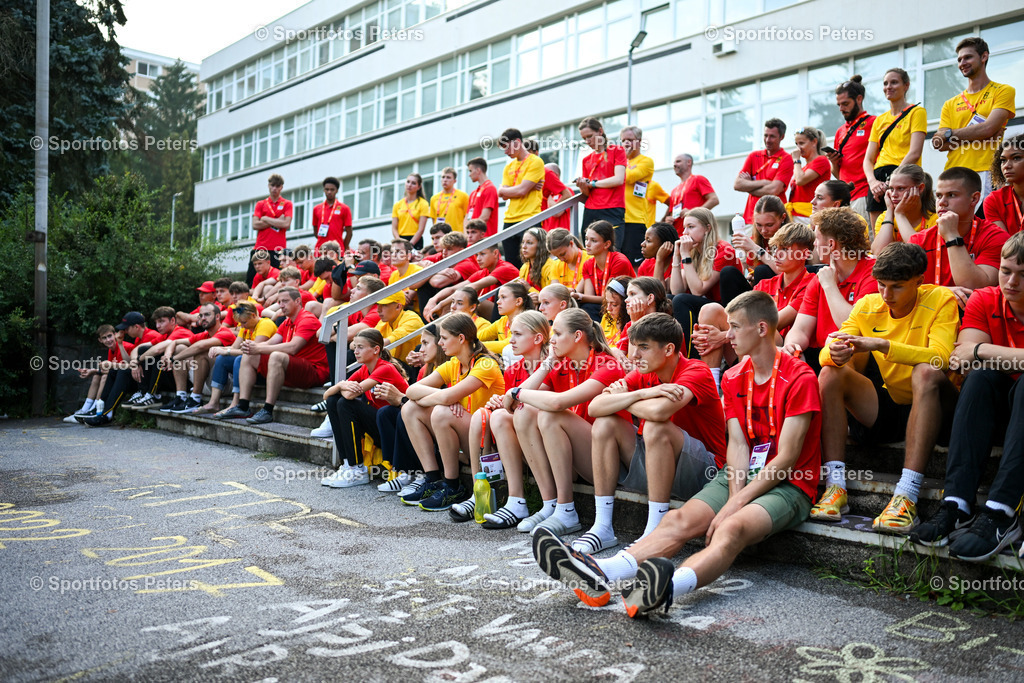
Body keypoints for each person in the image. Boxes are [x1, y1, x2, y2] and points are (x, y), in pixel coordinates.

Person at [531, 291, 821, 615]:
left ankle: (665, 588)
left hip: (790, 482)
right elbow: (738, 444)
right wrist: (734, 491)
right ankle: (602, 573)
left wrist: (735, 504)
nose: (728, 336)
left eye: (735, 328)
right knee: (677, 519)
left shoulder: (800, 376)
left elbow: (787, 458)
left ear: (763, 329)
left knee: (732, 528)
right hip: (736, 473)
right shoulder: (736, 375)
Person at [812, 242, 958, 534]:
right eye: (881, 285)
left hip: (940, 408)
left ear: (919, 281)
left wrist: (882, 345)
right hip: (889, 406)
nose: (886, 295)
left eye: (897, 287)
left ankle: (907, 495)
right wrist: (834, 352)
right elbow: (828, 349)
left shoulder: (941, 298)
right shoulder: (868, 304)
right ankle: (835, 487)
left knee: (926, 373)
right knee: (830, 373)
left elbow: (941, 358)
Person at [911, 232, 1024, 559]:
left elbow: (975, 349)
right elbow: (964, 357)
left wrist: (982, 348)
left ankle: (1001, 511)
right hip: (1000, 416)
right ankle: (956, 503)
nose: (1011, 281)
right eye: (1005, 270)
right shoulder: (986, 299)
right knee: (981, 377)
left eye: (1022, 273)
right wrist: (978, 352)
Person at [586, 313, 727, 553]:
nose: (634, 356)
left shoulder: (697, 370)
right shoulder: (644, 372)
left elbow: (660, 412)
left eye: (643, 347)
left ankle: (655, 529)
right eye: (634, 347)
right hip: (659, 465)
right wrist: (641, 394)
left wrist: (622, 399)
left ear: (669, 349)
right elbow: (594, 407)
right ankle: (602, 527)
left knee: (654, 426)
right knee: (604, 423)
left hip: (706, 472)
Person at [511, 309, 627, 536]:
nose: (551, 339)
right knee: (525, 412)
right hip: (579, 457)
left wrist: (516, 392)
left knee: (549, 413)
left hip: (609, 464)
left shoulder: (607, 364)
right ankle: (550, 504)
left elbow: (556, 403)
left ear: (577, 337)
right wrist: (548, 362)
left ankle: (566, 510)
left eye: (557, 333)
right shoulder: (562, 364)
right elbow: (520, 402)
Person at [451, 311, 554, 528]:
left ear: (537, 338)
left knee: (499, 416)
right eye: (511, 334)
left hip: (548, 442)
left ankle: (517, 499)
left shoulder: (551, 365)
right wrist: (501, 402)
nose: (511, 340)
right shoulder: (514, 369)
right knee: (483, 415)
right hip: (525, 438)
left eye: (517, 334)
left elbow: (528, 403)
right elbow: (512, 403)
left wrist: (507, 402)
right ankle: (480, 492)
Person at [400, 313, 505, 510]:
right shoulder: (453, 364)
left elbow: (446, 398)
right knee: (410, 409)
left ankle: (452, 485)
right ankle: (432, 479)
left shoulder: (486, 364)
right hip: (466, 437)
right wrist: (446, 398)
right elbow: (410, 390)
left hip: (489, 444)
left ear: (461, 338)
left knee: (441, 411)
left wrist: (448, 398)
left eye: (444, 338)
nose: (440, 343)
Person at [784, 208, 877, 374]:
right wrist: (793, 347)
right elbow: (800, 329)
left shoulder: (872, 273)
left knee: (838, 349)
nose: (814, 244)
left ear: (831, 244)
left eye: (816, 238)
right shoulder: (820, 278)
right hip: (824, 355)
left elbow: (855, 327)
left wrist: (830, 286)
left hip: (859, 358)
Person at [320, 329, 410, 489]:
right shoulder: (364, 369)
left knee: (344, 403)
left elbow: (348, 396)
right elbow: (327, 396)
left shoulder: (385, 368)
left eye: (360, 347)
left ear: (376, 350)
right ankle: (348, 464)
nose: (355, 351)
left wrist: (340, 386)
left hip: (396, 430)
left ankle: (357, 469)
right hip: (381, 426)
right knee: (334, 400)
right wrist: (340, 385)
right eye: (355, 347)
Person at [934, 36, 1016, 199]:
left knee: (986, 223)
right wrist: (981, 133)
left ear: (984, 56)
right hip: (953, 173)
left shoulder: (1003, 91)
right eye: (959, 59)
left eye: (968, 57)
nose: (962, 63)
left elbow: (988, 128)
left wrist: (949, 135)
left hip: (987, 170)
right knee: (954, 224)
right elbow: (938, 143)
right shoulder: (950, 103)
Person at [234, 288, 330, 425]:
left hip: (314, 371)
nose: (281, 305)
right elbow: (269, 343)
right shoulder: (287, 322)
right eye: (279, 301)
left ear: (298, 301)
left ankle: (267, 410)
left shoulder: (307, 319)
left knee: (277, 356)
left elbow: (292, 347)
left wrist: (259, 347)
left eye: (285, 301)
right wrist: (251, 346)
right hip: (294, 368)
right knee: (249, 355)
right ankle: (243, 406)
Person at [373, 323, 448, 494]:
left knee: (405, 411)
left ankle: (420, 473)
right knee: (386, 413)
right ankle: (406, 472)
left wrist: (400, 399)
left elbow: (434, 403)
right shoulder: (424, 370)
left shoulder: (449, 367)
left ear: (440, 343)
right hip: (430, 421)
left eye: (426, 343)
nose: (421, 349)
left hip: (443, 425)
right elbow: (413, 397)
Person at [909, 166, 1007, 294]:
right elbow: (902, 288)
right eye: (938, 196)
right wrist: (942, 293)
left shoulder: (996, 237)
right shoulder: (918, 240)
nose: (942, 202)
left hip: (973, 311)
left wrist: (951, 236)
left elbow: (974, 287)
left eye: (951, 195)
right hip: (930, 311)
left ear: (974, 199)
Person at [862, 69, 927, 227]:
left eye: (894, 82)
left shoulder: (917, 112)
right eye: (885, 83)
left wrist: (892, 180)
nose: (888, 87)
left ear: (906, 86)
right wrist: (873, 183)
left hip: (904, 175)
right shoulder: (880, 120)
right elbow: (868, 159)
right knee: (879, 232)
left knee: (905, 226)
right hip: (878, 180)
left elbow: (915, 152)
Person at [670, 208, 742, 345]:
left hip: (725, 308)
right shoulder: (693, 251)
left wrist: (685, 256)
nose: (685, 233)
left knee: (681, 300)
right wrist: (676, 257)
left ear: (707, 228)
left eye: (690, 227)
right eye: (684, 228)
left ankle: (690, 353)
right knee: (671, 299)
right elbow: (676, 290)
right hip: (708, 305)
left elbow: (698, 290)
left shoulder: (723, 250)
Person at [203, 302, 277, 418]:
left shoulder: (265, 324)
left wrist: (226, 351)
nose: (241, 326)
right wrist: (219, 349)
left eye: (244, 322)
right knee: (222, 358)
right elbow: (234, 348)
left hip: (265, 366)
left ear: (253, 315)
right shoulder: (246, 327)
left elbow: (253, 351)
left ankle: (236, 403)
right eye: (240, 323)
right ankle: (214, 402)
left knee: (239, 359)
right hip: (251, 363)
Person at [160, 303, 237, 414]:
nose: (203, 318)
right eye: (200, 316)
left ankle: (195, 398)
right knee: (180, 348)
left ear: (217, 317)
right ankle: (180, 396)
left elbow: (201, 346)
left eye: (207, 315)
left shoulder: (225, 332)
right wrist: (167, 356)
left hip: (224, 384)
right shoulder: (204, 335)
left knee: (202, 352)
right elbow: (175, 342)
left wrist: (173, 359)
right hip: (207, 381)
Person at [753, 222, 815, 340]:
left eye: (785, 249)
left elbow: (772, 325)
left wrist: (723, 336)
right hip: (760, 344)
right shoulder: (764, 285)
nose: (776, 254)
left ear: (804, 254)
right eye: (776, 248)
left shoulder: (812, 283)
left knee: (762, 331)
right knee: (712, 310)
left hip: (789, 348)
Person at [827, 76, 876, 222]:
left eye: (845, 103)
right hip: (845, 199)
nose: (841, 109)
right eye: (839, 105)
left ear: (859, 99)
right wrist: (834, 162)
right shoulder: (840, 131)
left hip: (865, 194)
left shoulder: (874, 123)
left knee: (867, 241)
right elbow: (838, 174)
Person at [498, 128, 544, 269]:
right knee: (512, 267)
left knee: (532, 265)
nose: (505, 152)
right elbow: (502, 194)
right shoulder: (508, 167)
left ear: (517, 142)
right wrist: (506, 191)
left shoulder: (535, 161)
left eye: (506, 147)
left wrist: (507, 190)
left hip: (530, 218)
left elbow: (522, 190)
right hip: (509, 220)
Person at [734, 119, 794, 228]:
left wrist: (749, 187)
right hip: (751, 218)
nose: (767, 140)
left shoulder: (786, 158)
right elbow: (737, 184)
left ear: (782, 137)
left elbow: (774, 190)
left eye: (772, 136)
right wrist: (764, 182)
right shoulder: (753, 156)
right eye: (765, 135)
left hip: (774, 219)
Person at [574, 117, 626, 235]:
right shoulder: (586, 159)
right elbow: (587, 193)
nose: (587, 141)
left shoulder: (617, 150)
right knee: (590, 250)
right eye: (584, 138)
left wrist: (593, 183)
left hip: (612, 208)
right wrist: (583, 186)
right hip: (591, 210)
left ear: (600, 131)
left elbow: (618, 179)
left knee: (613, 249)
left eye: (590, 136)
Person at [870, 164, 937, 254]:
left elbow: (918, 252)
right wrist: (890, 211)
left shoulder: (936, 218)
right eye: (891, 189)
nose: (894, 195)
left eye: (901, 188)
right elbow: (879, 253)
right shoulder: (885, 218)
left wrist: (899, 214)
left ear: (920, 188)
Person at [575, 220, 635, 320]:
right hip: (601, 306)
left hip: (621, 306)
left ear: (607, 244)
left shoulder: (619, 261)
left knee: (586, 309)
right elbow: (590, 297)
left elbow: (611, 298)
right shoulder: (588, 264)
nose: (587, 244)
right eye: (586, 239)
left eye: (593, 241)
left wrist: (580, 296)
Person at [728, 195, 790, 287]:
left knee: (762, 270)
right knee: (728, 272)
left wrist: (756, 249)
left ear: (783, 218)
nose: (763, 230)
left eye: (769, 225)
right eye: (759, 225)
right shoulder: (755, 239)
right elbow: (748, 269)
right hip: (758, 288)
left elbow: (785, 272)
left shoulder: (793, 237)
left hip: (783, 289)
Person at [66, 324, 119, 422]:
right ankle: (85, 409)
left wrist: (95, 371)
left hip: (125, 378)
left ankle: (95, 409)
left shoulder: (121, 347)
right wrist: (92, 371)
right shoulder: (110, 350)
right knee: (96, 376)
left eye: (110, 336)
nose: (108, 340)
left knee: (104, 377)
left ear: (115, 335)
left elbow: (118, 369)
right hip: (116, 376)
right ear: (100, 340)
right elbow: (110, 369)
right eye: (104, 338)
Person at [249, 173, 292, 285]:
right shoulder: (260, 204)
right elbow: (255, 225)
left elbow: (286, 224)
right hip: (260, 247)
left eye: (277, 186)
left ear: (281, 187)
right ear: (268, 185)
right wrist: (278, 220)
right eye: (272, 185)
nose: (274, 188)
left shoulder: (287, 204)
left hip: (278, 249)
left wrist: (265, 218)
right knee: (252, 281)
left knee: (279, 281)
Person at [620, 125, 654, 264]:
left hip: (635, 220)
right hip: (619, 219)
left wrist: (622, 169)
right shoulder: (622, 164)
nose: (626, 143)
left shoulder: (646, 161)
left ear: (639, 141)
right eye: (623, 141)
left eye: (630, 139)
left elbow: (628, 177)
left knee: (635, 264)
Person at [664, 153, 718, 235]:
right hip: (678, 235)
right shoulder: (674, 190)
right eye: (674, 163)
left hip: (695, 235)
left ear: (689, 162)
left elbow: (714, 200)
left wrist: (693, 212)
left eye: (678, 161)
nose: (674, 165)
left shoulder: (698, 179)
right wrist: (669, 220)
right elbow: (672, 214)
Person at [787, 127, 831, 222]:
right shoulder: (804, 167)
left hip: (808, 215)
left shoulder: (821, 160)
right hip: (797, 215)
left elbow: (800, 180)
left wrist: (796, 160)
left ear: (814, 142)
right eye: (796, 144)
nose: (798, 148)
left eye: (802, 143)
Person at [375, 291, 425, 372]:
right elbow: (364, 339)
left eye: (384, 305)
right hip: (398, 366)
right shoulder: (383, 323)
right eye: (378, 305)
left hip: (414, 368)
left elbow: (394, 338)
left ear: (398, 306)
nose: (378, 310)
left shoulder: (412, 318)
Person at [479, 281, 534, 355]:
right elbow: (480, 336)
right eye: (498, 298)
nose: (498, 302)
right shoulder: (503, 320)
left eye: (503, 297)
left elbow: (507, 345)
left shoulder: (526, 322)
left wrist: (474, 346)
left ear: (518, 301)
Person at [984, 134, 1024, 234]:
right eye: (1003, 160)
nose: (1006, 166)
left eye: (1016, 158)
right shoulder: (994, 200)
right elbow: (1005, 244)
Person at [313, 176, 353, 255]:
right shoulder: (316, 208)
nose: (329, 192)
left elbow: (349, 232)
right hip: (320, 250)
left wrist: (343, 247)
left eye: (332, 189)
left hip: (337, 250)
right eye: (327, 189)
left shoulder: (344, 208)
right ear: (324, 190)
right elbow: (315, 230)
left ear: (337, 190)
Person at [392, 173, 430, 249]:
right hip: (400, 239)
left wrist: (410, 244)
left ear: (419, 187)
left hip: (415, 240)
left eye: (413, 183)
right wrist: (399, 241)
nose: (409, 185)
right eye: (408, 182)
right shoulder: (397, 204)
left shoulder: (423, 204)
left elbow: (421, 229)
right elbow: (394, 228)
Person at [518, 226, 558, 297]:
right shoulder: (524, 267)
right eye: (523, 242)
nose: (524, 246)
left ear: (541, 245)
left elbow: (551, 297)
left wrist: (529, 288)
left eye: (529, 243)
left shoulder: (552, 266)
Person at [429, 167, 470, 233]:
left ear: (455, 181)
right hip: (440, 237)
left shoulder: (463, 196)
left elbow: (467, 218)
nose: (445, 180)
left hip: (457, 235)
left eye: (448, 177)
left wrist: (466, 235)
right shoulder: (434, 198)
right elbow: (433, 220)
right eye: (443, 177)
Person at [466, 157, 499, 237]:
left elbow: (485, 217)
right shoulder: (473, 193)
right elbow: (467, 217)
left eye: (470, 171)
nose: (469, 174)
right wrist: (467, 235)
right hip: (473, 238)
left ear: (478, 170)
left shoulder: (490, 188)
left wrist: (471, 234)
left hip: (485, 238)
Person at [600, 276, 632, 352]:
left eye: (614, 304)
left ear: (626, 304)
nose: (608, 308)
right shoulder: (606, 317)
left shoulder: (632, 324)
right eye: (607, 302)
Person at [542, 162, 574, 232]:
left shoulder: (568, 191)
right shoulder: (544, 194)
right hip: (547, 235)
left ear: (555, 175)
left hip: (560, 236)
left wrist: (548, 195)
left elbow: (556, 213)